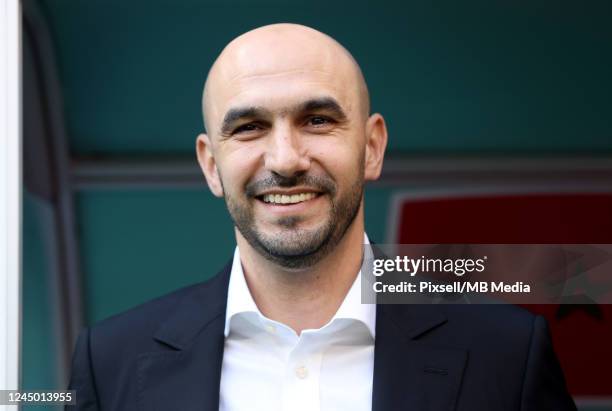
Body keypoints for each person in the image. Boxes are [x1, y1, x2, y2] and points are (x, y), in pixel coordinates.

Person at [67, 23, 576, 411]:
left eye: (317, 120)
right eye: (249, 127)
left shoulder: (507, 356)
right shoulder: (110, 361)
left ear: (372, 147)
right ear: (210, 164)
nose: (286, 159)